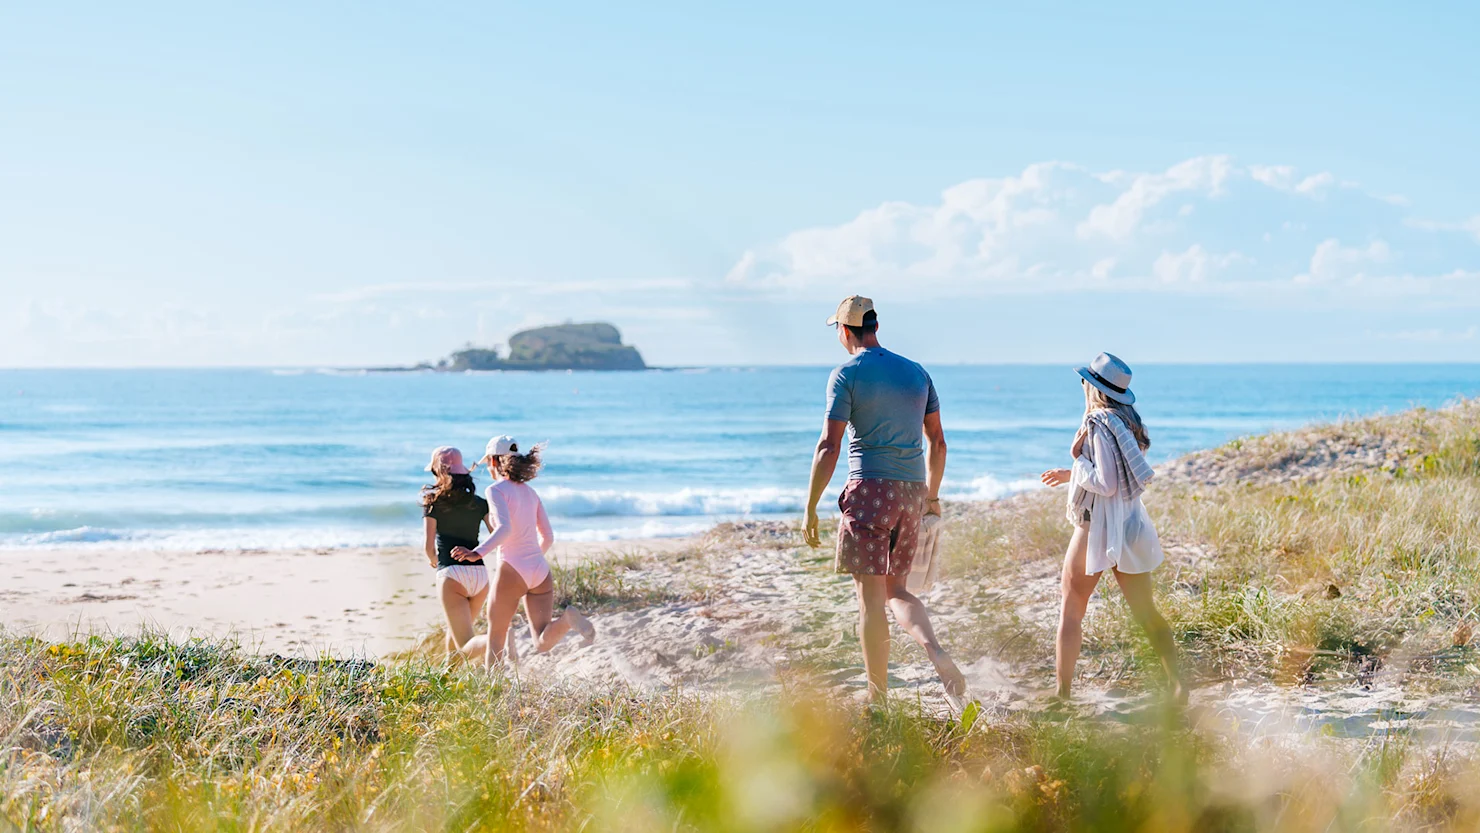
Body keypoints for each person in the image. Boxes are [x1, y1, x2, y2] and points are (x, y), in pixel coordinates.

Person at [803, 295, 967, 706]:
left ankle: (878, 702)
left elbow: (829, 445)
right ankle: (936, 652)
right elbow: (939, 443)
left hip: (869, 492)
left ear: (844, 330)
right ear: (874, 327)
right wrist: (931, 496)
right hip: (911, 492)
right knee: (898, 590)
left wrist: (810, 507)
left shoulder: (846, 374)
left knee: (871, 602)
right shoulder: (916, 373)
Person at [1039, 352, 1186, 703]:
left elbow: (1104, 483)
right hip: (1131, 523)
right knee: (1146, 611)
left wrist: (1074, 467)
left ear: (1093, 387)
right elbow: (1120, 476)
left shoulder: (1098, 423)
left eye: (1084, 381)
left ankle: (1062, 695)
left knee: (1071, 610)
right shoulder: (1127, 422)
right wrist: (1073, 469)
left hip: (1098, 528)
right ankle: (1179, 686)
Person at [452, 436, 594, 670]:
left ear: (495, 462)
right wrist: (533, 559)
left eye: (489, 461)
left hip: (512, 569)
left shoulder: (495, 490)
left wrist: (477, 553)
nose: (488, 466)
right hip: (539, 571)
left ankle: (492, 692)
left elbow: (504, 528)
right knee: (541, 641)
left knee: (496, 637)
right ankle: (568, 619)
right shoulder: (530, 493)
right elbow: (547, 536)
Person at [420, 446, 492, 661]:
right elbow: (498, 535)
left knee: (466, 644)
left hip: (452, 575)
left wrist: (434, 562)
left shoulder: (433, 501)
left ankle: (498, 640)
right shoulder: (479, 503)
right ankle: (447, 677)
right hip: (480, 576)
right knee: (456, 631)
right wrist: (477, 552)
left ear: (437, 472)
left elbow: (428, 547)